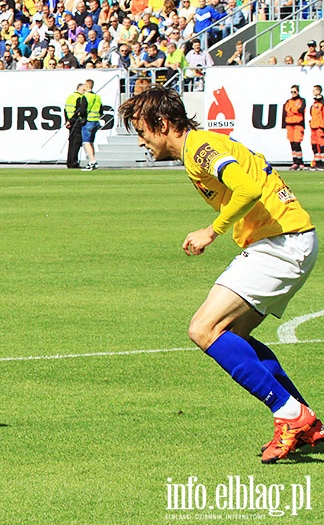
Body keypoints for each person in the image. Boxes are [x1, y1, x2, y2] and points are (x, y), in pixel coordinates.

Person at [119, 85, 322, 464]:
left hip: (280, 243)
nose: (142, 142)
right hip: (289, 239)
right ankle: (309, 424)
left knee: (203, 329)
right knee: (232, 336)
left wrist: (211, 231)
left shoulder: (199, 150)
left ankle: (291, 414)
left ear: (162, 124)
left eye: (143, 132)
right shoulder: (202, 145)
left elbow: (245, 188)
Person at [283, 85, 307, 170]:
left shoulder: (301, 100)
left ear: (298, 92)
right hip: (289, 124)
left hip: (298, 124)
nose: (293, 94)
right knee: (292, 143)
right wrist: (294, 111)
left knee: (297, 143)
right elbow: (285, 112)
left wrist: (292, 110)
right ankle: (295, 162)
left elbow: (300, 110)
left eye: (294, 92)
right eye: (292, 92)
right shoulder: (288, 101)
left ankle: (300, 162)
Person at [64, 83, 87, 169]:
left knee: (71, 143)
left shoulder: (70, 97)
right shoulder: (79, 98)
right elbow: (78, 112)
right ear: (79, 89)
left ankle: (69, 161)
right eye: (83, 90)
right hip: (76, 122)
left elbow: (66, 109)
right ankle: (74, 162)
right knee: (76, 143)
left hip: (70, 122)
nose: (84, 92)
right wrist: (72, 120)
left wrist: (67, 121)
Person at [80, 78, 101, 171]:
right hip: (96, 121)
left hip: (88, 121)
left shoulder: (86, 96)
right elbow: (101, 110)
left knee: (86, 142)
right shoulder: (97, 97)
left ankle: (92, 161)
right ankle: (92, 161)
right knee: (91, 142)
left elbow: (82, 109)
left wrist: (81, 116)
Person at [309, 85, 324, 171]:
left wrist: (322, 126)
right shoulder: (315, 103)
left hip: (320, 128)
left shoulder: (322, 103)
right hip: (314, 127)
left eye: (314, 90)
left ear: (318, 91)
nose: (313, 92)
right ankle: (317, 163)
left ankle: (322, 164)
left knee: (322, 146)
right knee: (314, 146)